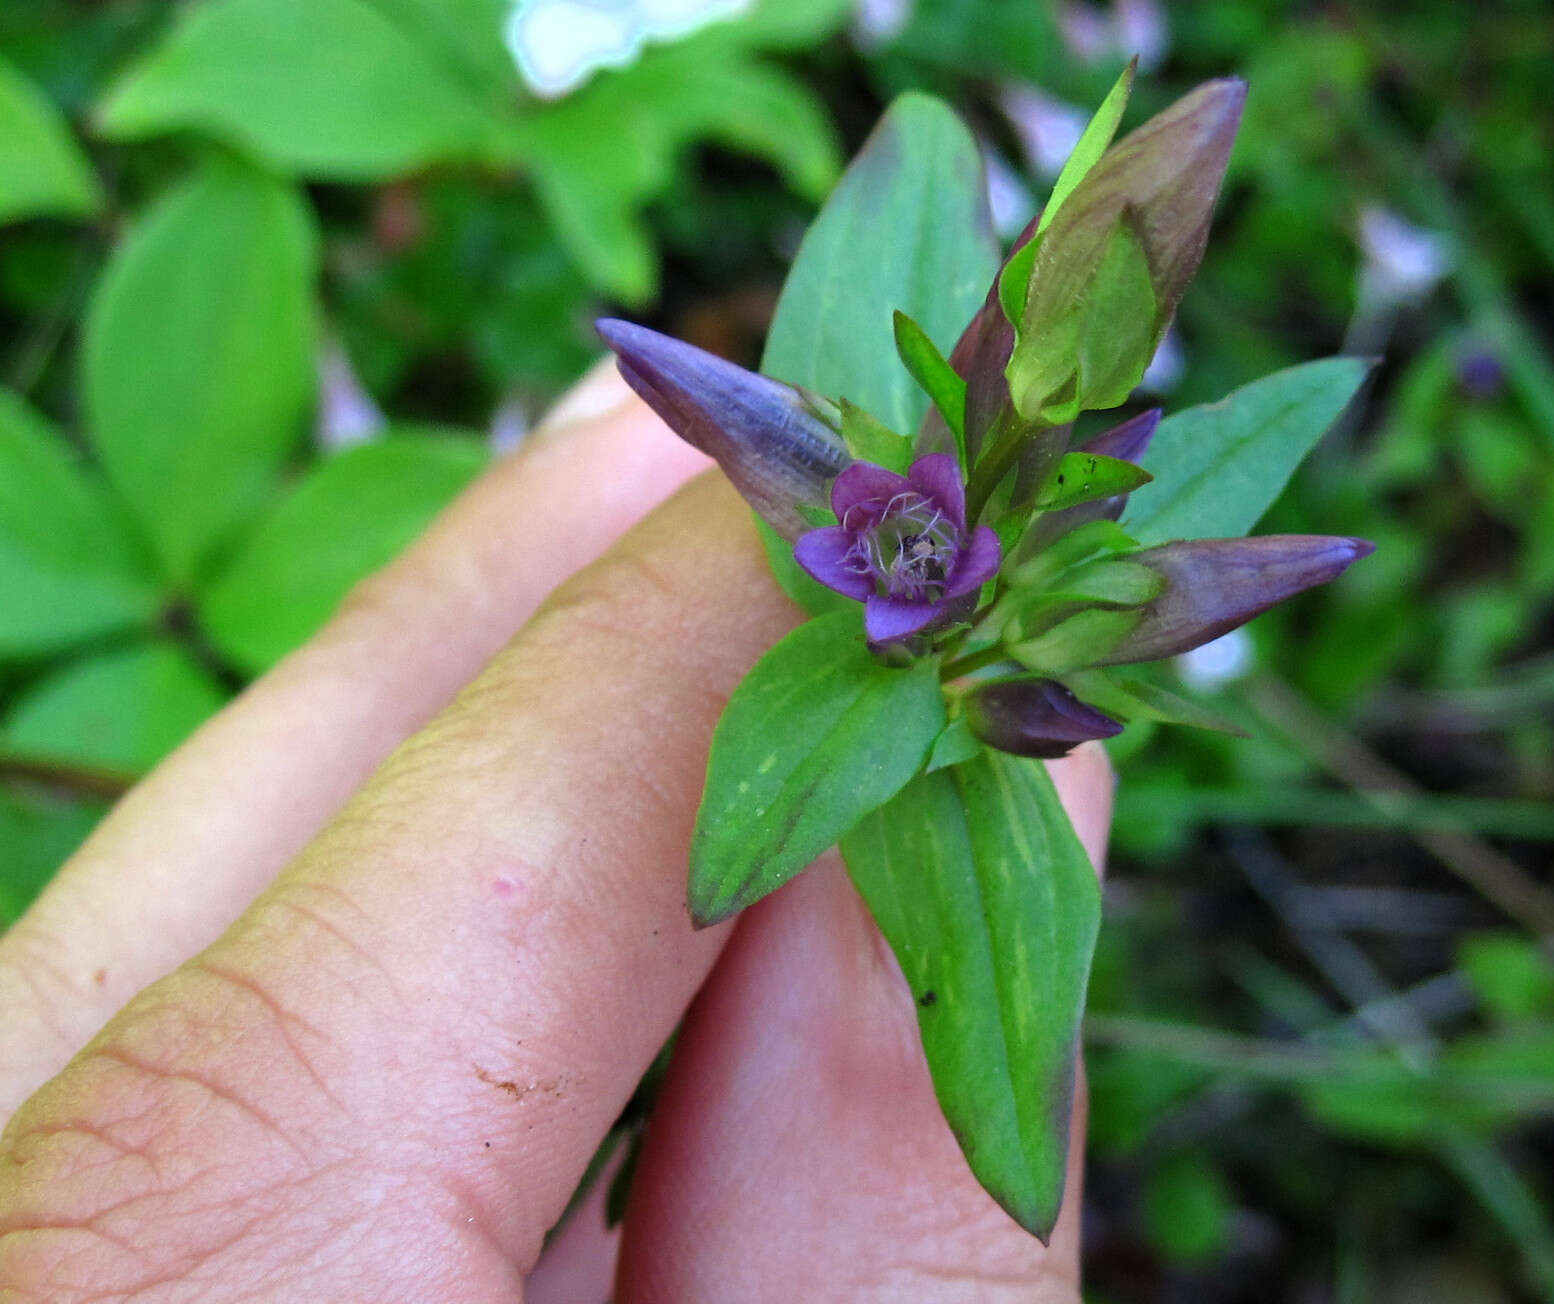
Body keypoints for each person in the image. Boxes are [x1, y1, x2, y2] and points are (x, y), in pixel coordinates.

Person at [0, 364, 1115, 1302]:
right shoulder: (858, 561)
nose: (912, 544)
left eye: (931, 545)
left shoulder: (945, 562)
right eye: (902, 535)